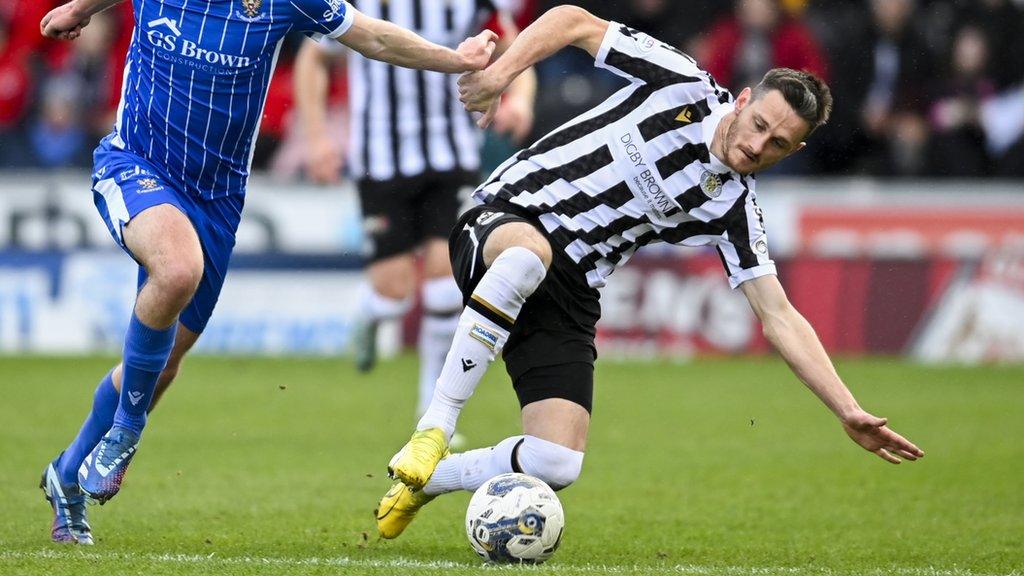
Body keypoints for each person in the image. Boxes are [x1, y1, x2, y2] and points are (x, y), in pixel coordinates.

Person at [374, 5, 924, 539]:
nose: (756, 145)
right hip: (504, 218)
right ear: (745, 98)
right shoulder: (680, 82)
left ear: (795, 149)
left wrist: (847, 410)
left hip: (572, 288)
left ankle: (427, 480)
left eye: (777, 144)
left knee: (557, 461)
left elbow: (779, 315)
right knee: (525, 257)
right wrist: (499, 76)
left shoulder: (734, 210)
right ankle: (434, 429)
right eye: (757, 124)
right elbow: (572, 21)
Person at [38, 0, 497, 545]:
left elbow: (372, 38)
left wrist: (455, 59)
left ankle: (67, 474)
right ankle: (126, 432)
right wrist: (79, 9)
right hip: (136, 162)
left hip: (218, 199)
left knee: (163, 364)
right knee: (178, 269)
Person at [292, 0, 536, 434]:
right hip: (380, 160)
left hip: (453, 155)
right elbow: (314, 57)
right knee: (394, 295)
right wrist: (316, 139)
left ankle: (432, 414)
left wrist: (520, 98)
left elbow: (515, 45)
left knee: (446, 286)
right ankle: (370, 314)